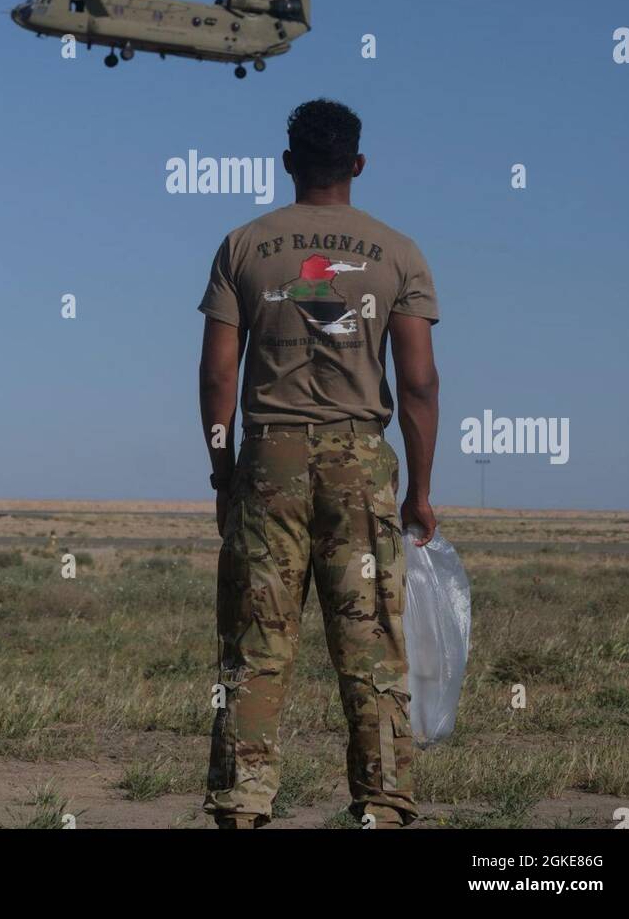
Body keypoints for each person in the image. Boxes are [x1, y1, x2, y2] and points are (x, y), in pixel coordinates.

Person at [198, 98, 440, 830]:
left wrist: (225, 471)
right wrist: (419, 493)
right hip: (361, 466)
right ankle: (382, 805)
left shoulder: (243, 244)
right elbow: (420, 381)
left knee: (255, 644)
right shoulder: (397, 251)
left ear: (289, 163)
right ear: (357, 165)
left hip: (267, 459)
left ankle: (241, 806)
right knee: (371, 647)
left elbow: (217, 377)